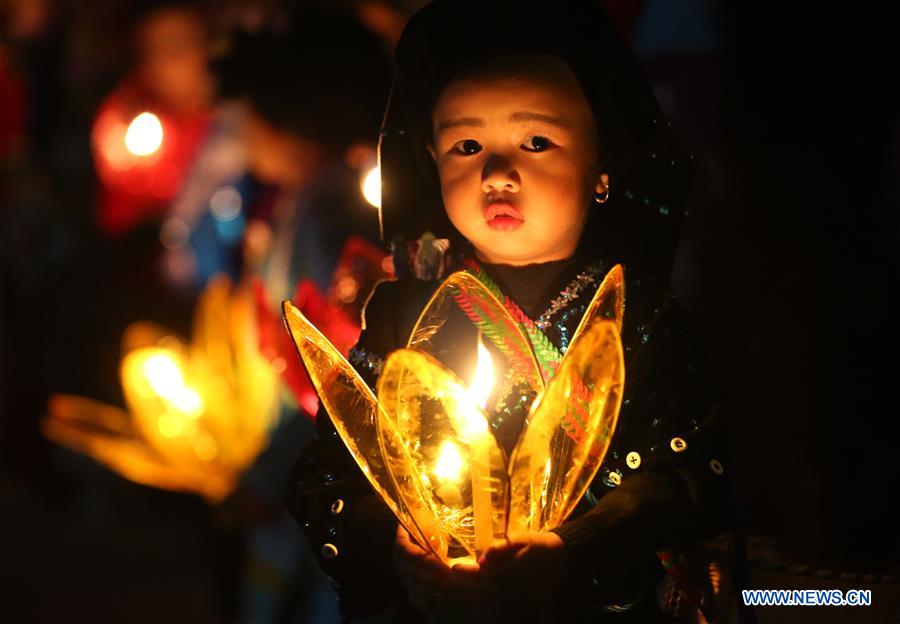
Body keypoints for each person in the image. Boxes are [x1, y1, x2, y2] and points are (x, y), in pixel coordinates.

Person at [286, 2, 734, 622]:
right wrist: (393, 546)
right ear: (431, 160)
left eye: (536, 141)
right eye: (466, 145)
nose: (497, 173)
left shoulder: (638, 317)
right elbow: (331, 470)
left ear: (602, 164)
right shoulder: (402, 315)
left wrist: (571, 549)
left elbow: (691, 474)